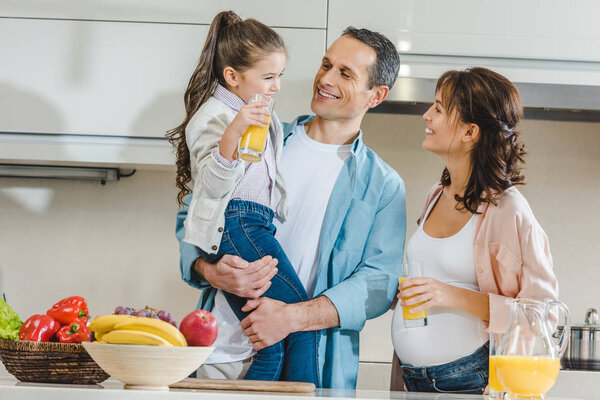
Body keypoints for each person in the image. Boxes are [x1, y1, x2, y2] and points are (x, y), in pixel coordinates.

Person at [175, 27, 406, 389]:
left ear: (376, 95)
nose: (326, 79)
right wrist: (208, 269)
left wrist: (291, 317)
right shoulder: (263, 135)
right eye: (326, 64)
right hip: (223, 354)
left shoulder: (383, 184)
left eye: (345, 73)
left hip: (315, 360)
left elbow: (378, 284)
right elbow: (194, 212)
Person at [166, 11, 322, 385]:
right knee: (297, 317)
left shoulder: (262, 115)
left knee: (270, 333)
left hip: (255, 222)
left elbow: (269, 177)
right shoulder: (215, 116)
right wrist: (234, 132)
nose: (277, 86)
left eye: (279, 76)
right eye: (268, 77)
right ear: (233, 77)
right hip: (237, 223)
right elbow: (212, 185)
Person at [389, 67, 559, 394]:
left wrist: (452, 295)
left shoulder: (507, 208)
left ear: (470, 131)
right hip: (413, 379)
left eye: (438, 108)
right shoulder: (436, 194)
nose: (426, 115)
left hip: (470, 378)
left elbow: (543, 315)